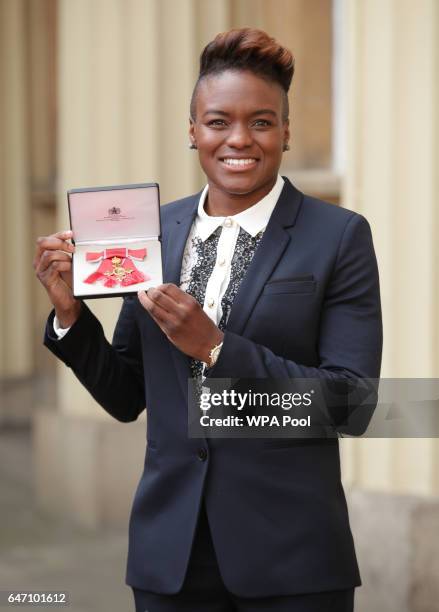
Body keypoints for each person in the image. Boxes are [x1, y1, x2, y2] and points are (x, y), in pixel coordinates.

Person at [34, 28, 382, 612]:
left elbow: (353, 405)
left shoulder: (339, 237)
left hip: (291, 559)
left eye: (262, 122)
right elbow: (127, 396)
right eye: (219, 121)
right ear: (192, 131)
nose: (239, 139)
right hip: (169, 557)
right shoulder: (152, 232)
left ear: (287, 131)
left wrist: (219, 349)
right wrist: (71, 317)